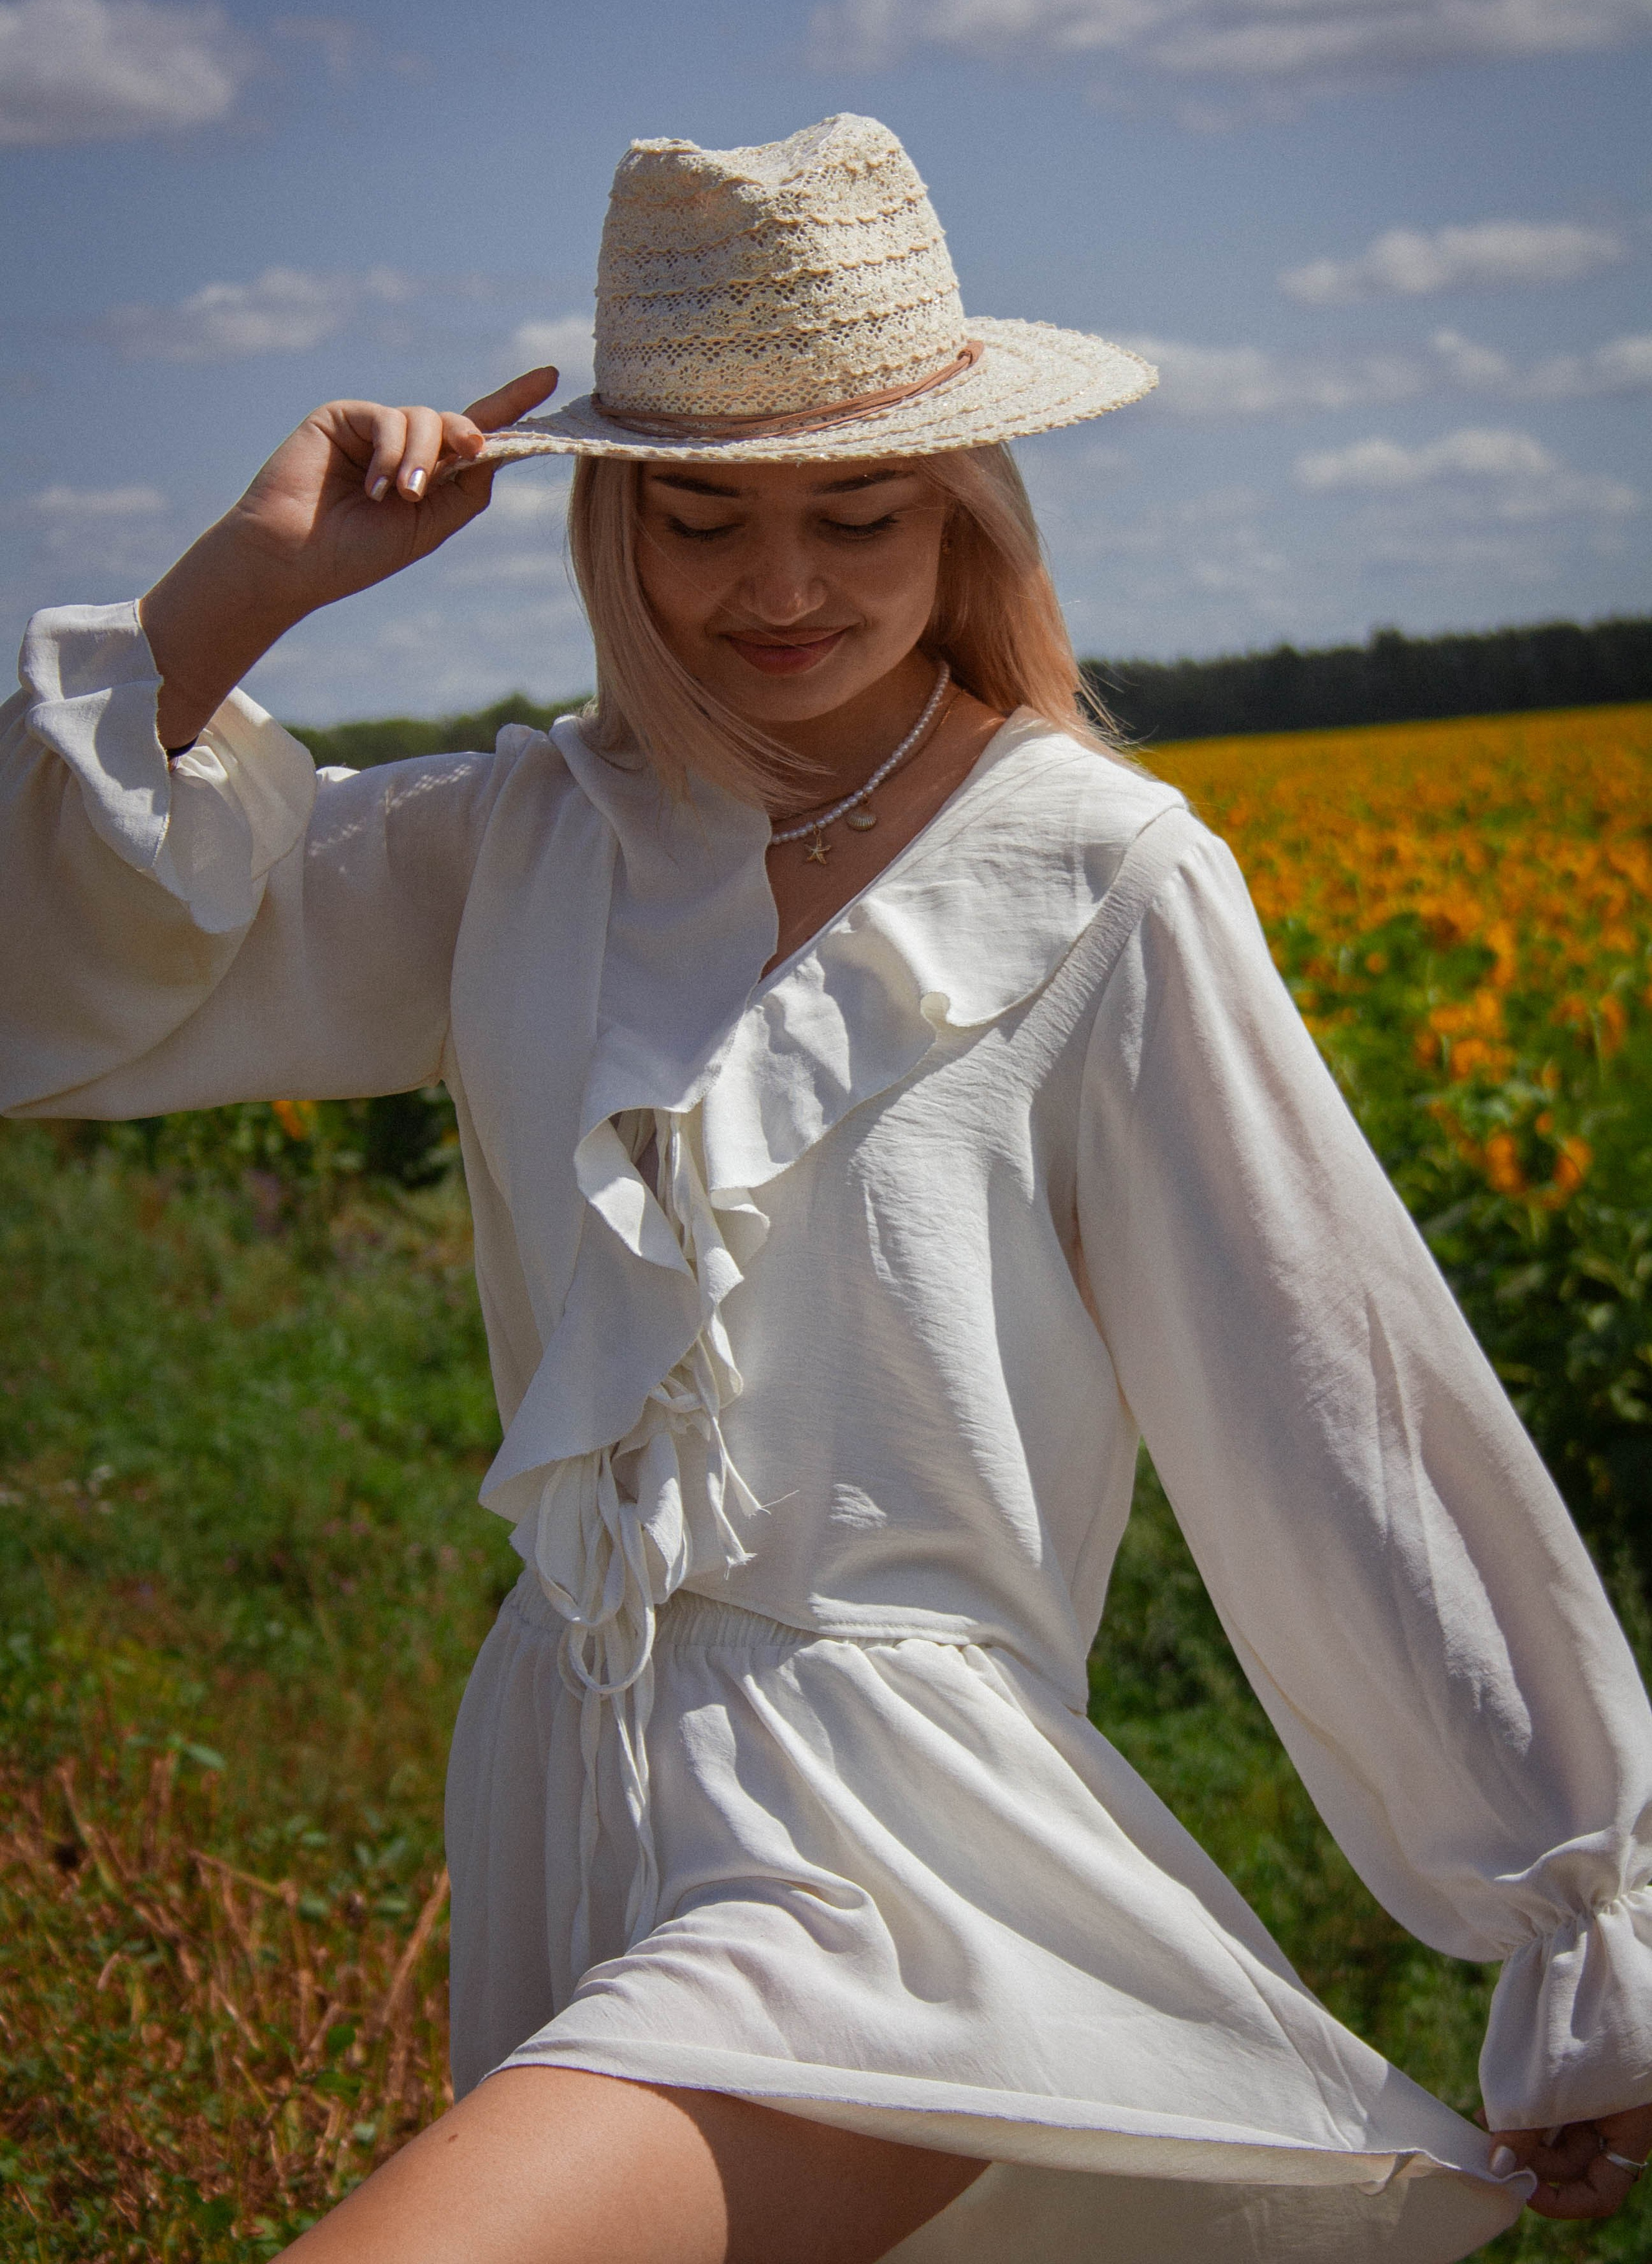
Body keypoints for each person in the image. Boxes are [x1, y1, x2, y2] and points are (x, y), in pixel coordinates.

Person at [3, 114, 1650, 2264]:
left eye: (858, 515)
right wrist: (245, 587)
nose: (779, 589)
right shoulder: (524, 844)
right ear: (615, 526)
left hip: (882, 1857)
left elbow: (1338, 1399)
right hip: (572, 1794)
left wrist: (1589, 1923)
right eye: (701, 520)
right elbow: (64, 997)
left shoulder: (1099, 877)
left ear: (963, 510)